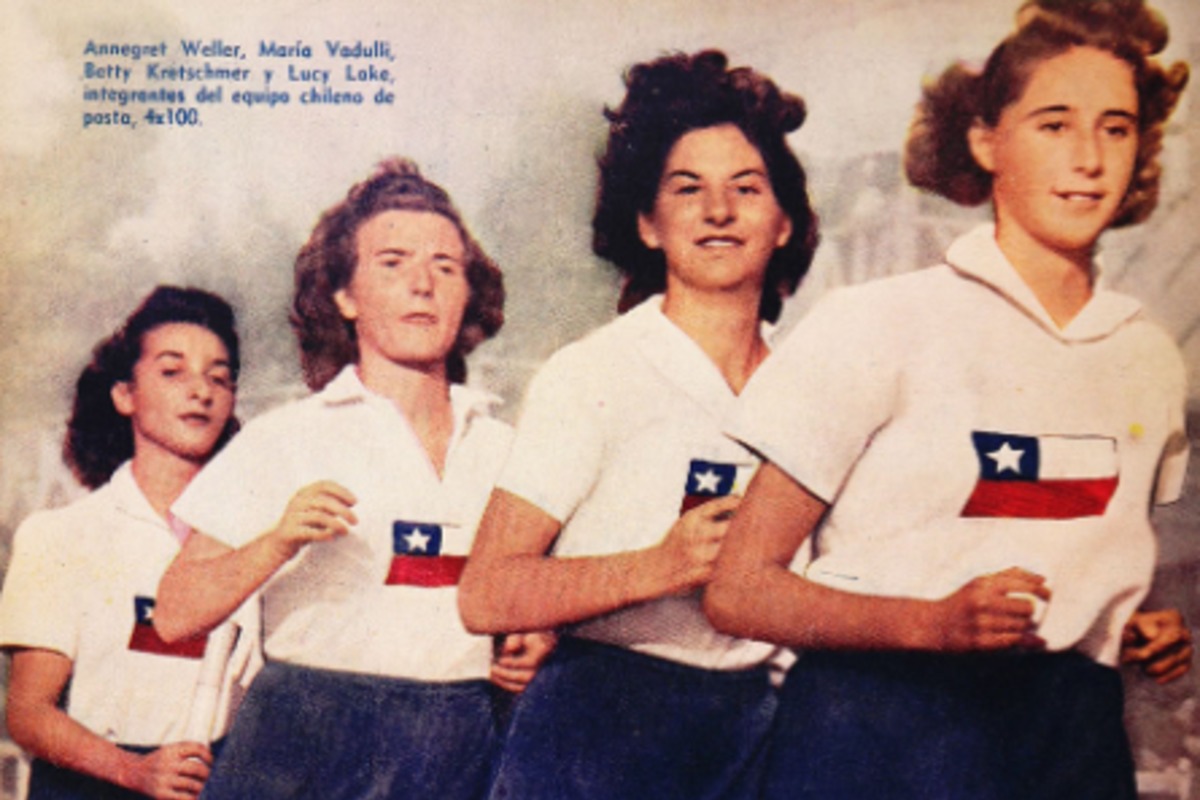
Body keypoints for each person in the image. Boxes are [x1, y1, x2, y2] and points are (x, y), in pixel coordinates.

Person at [704, 1, 1191, 797]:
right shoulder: (880, 321)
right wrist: (927, 624)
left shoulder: (1146, 355)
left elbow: (1093, 545)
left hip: (1073, 741)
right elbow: (738, 588)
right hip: (883, 733)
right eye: (1055, 125)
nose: (1090, 159)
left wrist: (1140, 626)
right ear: (985, 139)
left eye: (1116, 128)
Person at [457, 50, 819, 799]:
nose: (719, 211)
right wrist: (659, 565)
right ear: (649, 224)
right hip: (598, 727)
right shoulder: (594, 373)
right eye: (688, 190)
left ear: (783, 222)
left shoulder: (814, 389)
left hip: (754, 730)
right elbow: (486, 593)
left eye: (745, 188)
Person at [153, 158, 551, 800]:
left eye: (445, 267)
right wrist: (277, 541)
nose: (423, 284)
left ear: (468, 292)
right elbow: (173, 613)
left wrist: (540, 639)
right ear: (344, 294)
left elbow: (541, 598)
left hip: (465, 739)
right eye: (392, 263)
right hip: (308, 735)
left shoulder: (512, 447)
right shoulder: (288, 435)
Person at [0, 286, 255, 800]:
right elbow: (28, 715)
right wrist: (134, 772)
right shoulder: (61, 535)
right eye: (172, 371)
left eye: (218, 378)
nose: (200, 391)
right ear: (124, 395)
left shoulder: (258, 542)